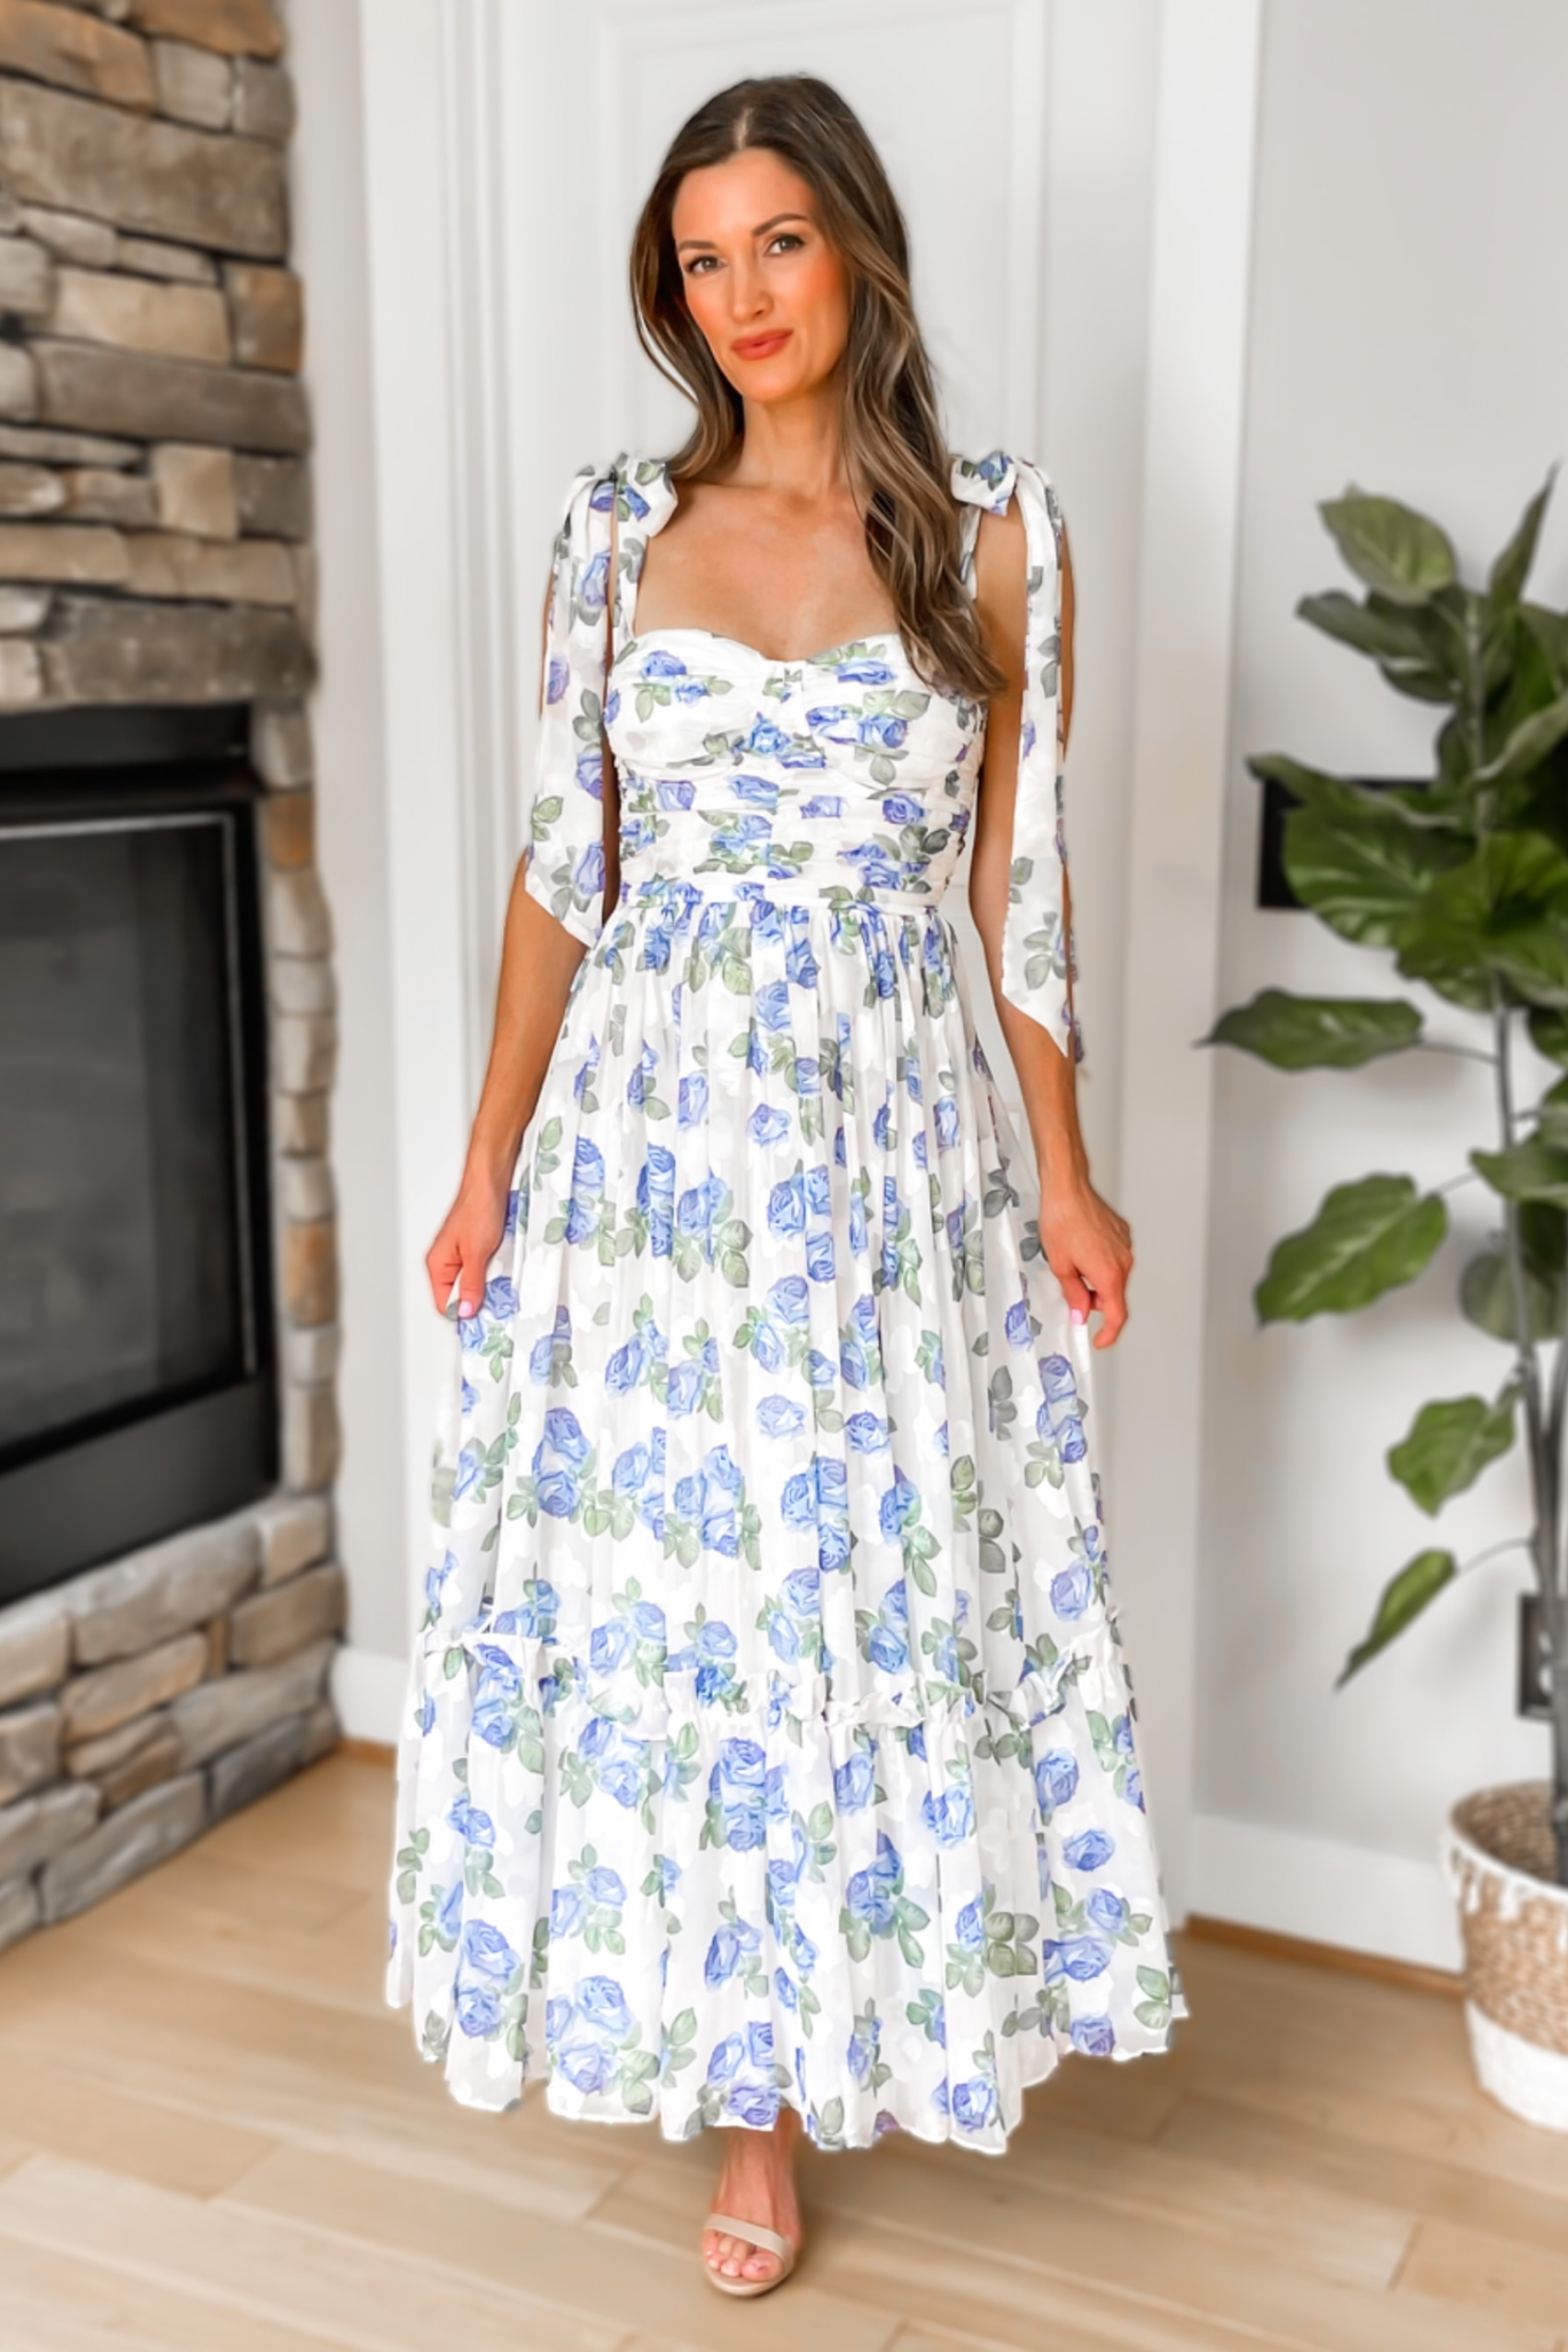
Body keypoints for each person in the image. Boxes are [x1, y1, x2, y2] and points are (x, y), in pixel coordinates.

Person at [386, 71, 1186, 2300]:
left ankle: (870, 2014)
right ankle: (747, 2109)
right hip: (650, 1138)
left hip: (886, 1133)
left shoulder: (998, 532)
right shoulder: (610, 532)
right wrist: (486, 1162)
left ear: (855, 247)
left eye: (777, 243)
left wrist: (1068, 1174)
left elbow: (1017, 885)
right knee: (694, 1589)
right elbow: (563, 869)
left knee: (861, 1578)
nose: (738, 295)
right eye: (698, 258)